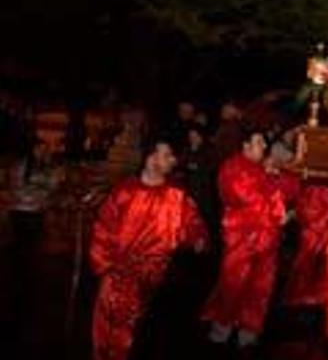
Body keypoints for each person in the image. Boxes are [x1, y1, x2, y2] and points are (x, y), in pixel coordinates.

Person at [90, 139, 207, 360]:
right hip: (121, 277)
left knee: (148, 337)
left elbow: (193, 223)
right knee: (113, 333)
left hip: (158, 279)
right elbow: (102, 231)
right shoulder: (124, 193)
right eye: (168, 155)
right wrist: (106, 268)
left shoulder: (177, 195)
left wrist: (198, 238)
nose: (173, 161)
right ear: (151, 159)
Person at [202, 130, 287, 348]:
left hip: (267, 240)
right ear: (245, 146)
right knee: (233, 284)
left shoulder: (264, 170)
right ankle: (222, 327)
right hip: (242, 240)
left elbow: (287, 192)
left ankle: (249, 330)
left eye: (264, 143)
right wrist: (277, 204)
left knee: (261, 287)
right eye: (259, 142)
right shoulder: (232, 167)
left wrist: (275, 178)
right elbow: (249, 199)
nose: (264, 147)